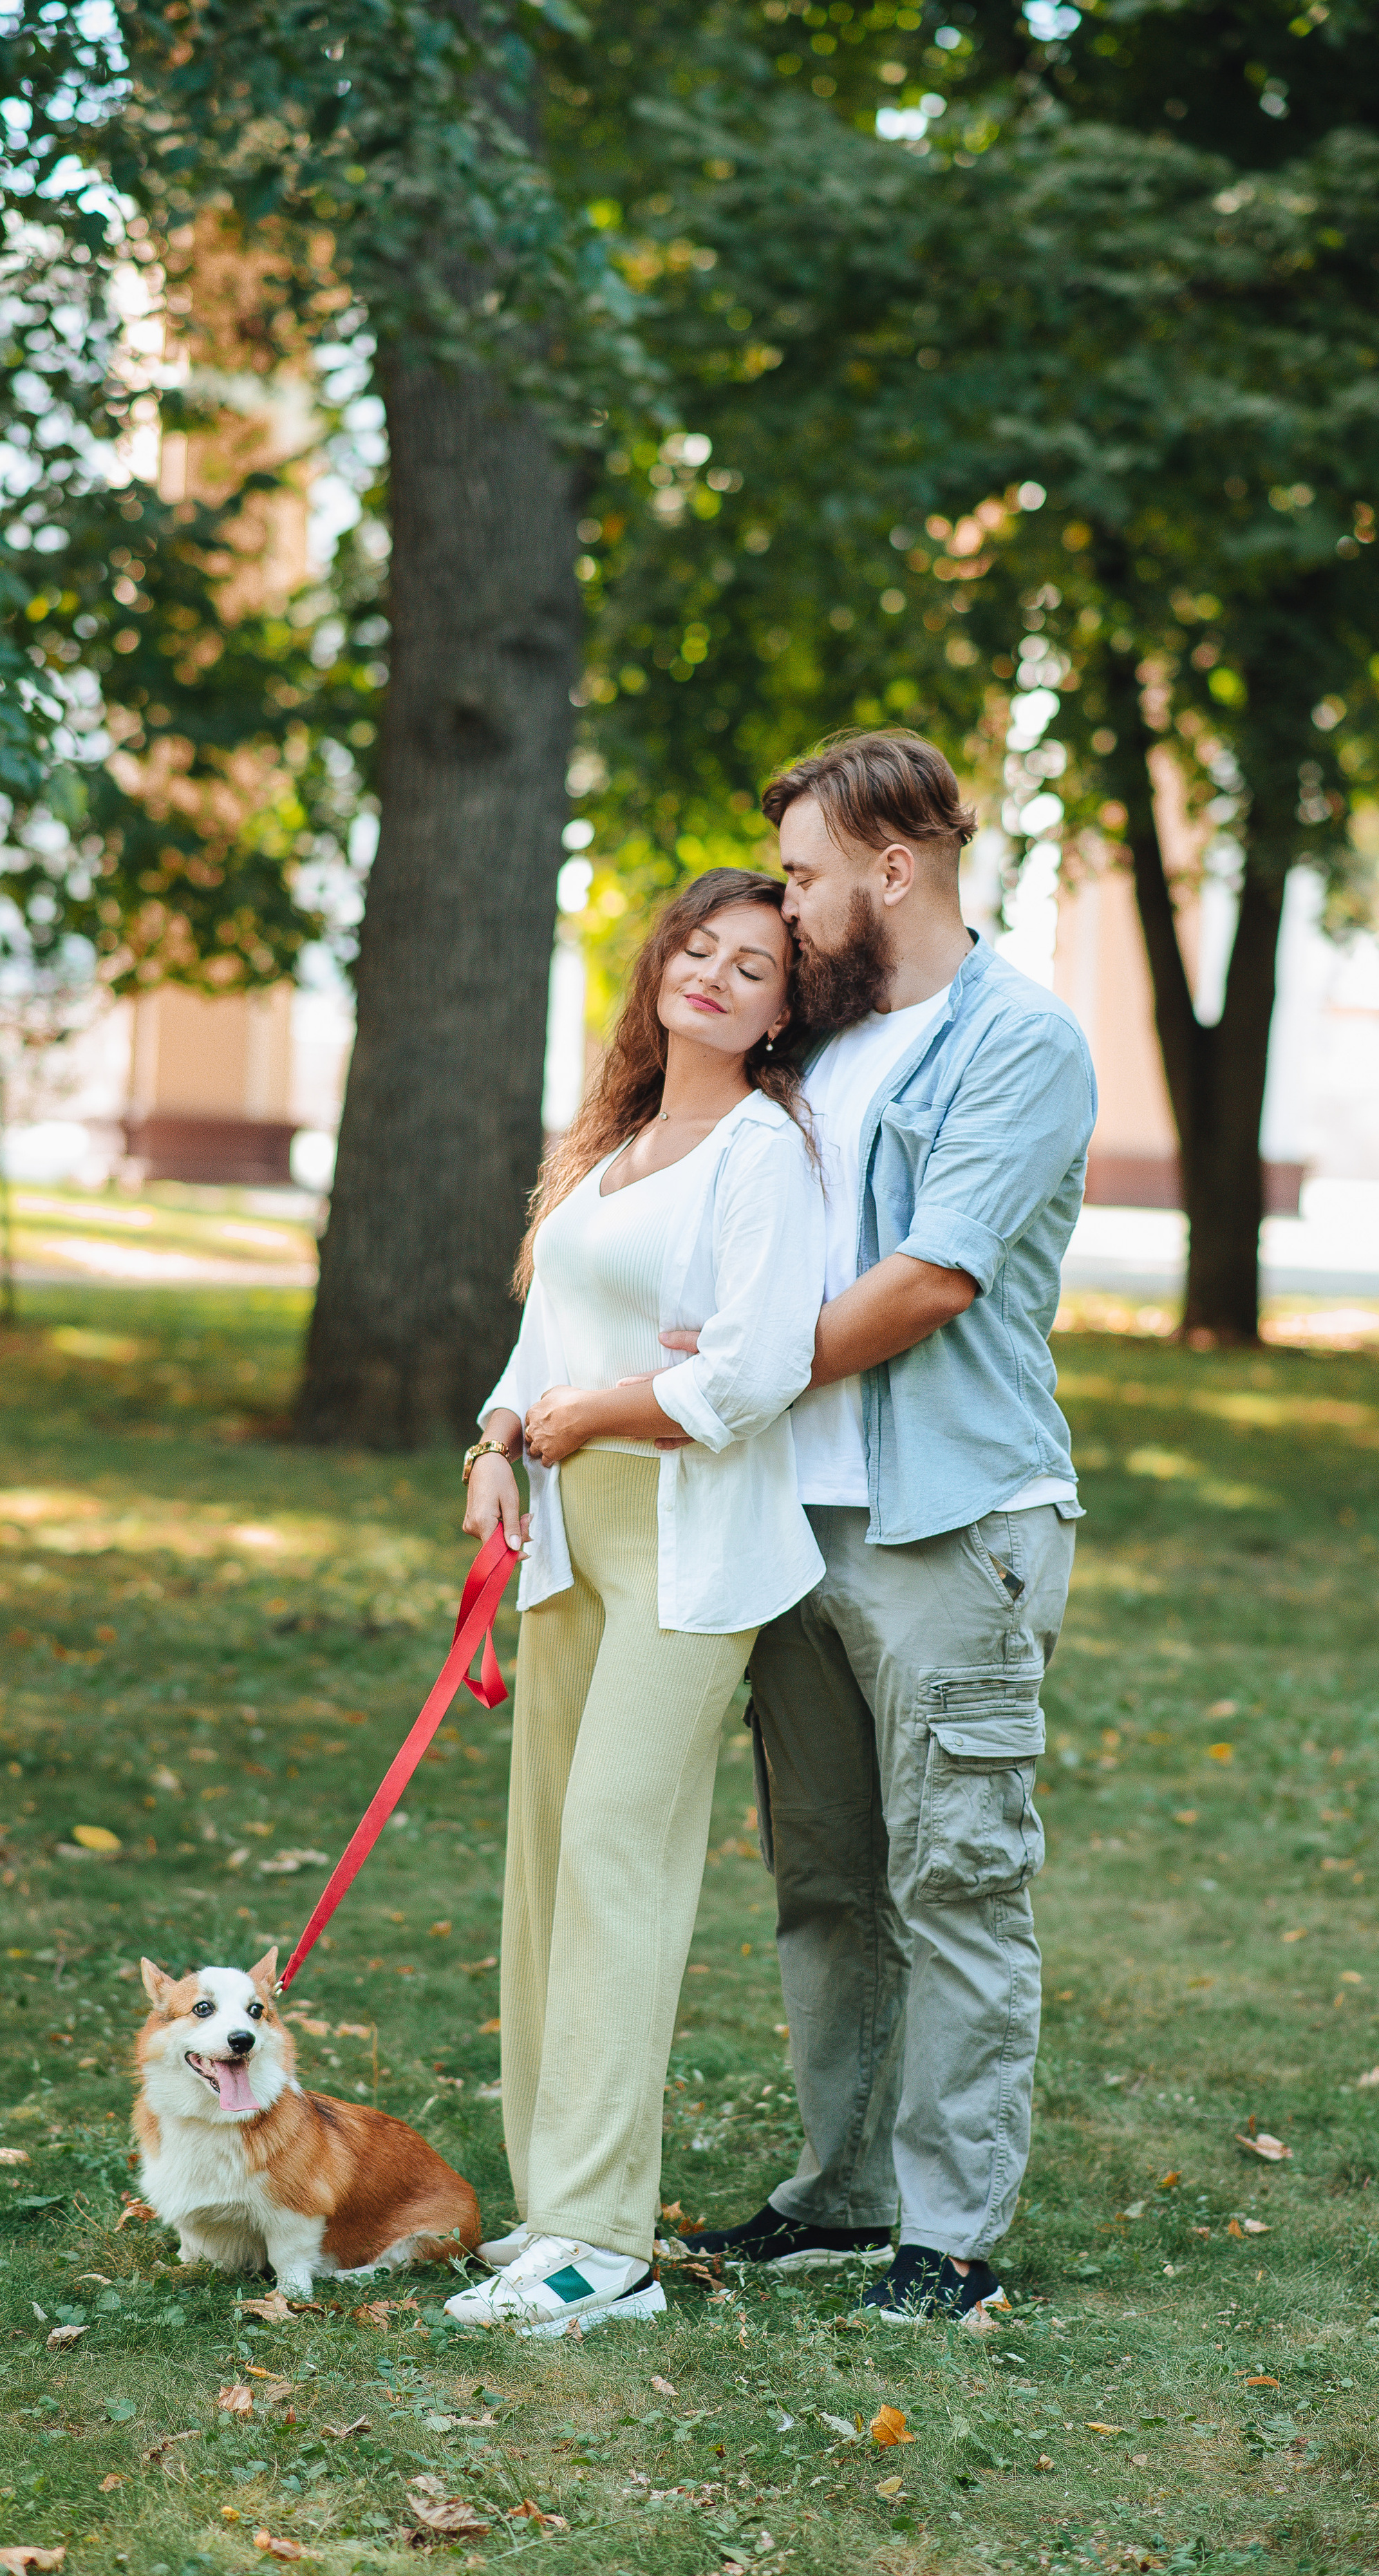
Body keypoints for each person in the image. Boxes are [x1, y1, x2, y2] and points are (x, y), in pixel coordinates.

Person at [680, 729, 1098, 2324]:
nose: (783, 910)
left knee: (957, 1877)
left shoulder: (1019, 1040)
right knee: (826, 1880)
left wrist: (728, 1380)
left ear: (891, 865)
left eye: (799, 876)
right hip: (800, 1522)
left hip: (951, 1521)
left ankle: (950, 2233)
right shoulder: (823, 1034)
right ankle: (842, 2192)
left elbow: (928, 1280)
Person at [445, 867, 827, 2337]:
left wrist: (591, 1410)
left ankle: (603, 2244)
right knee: (544, 1858)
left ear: (784, 1007)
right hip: (566, 1532)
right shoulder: (608, 1142)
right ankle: (553, 2205)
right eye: (698, 946)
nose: (716, 974)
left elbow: (745, 1375)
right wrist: (495, 1442)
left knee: (616, 1850)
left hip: (688, 1541)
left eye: (753, 965)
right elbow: (540, 1336)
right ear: (659, 960)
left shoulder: (760, 1152)